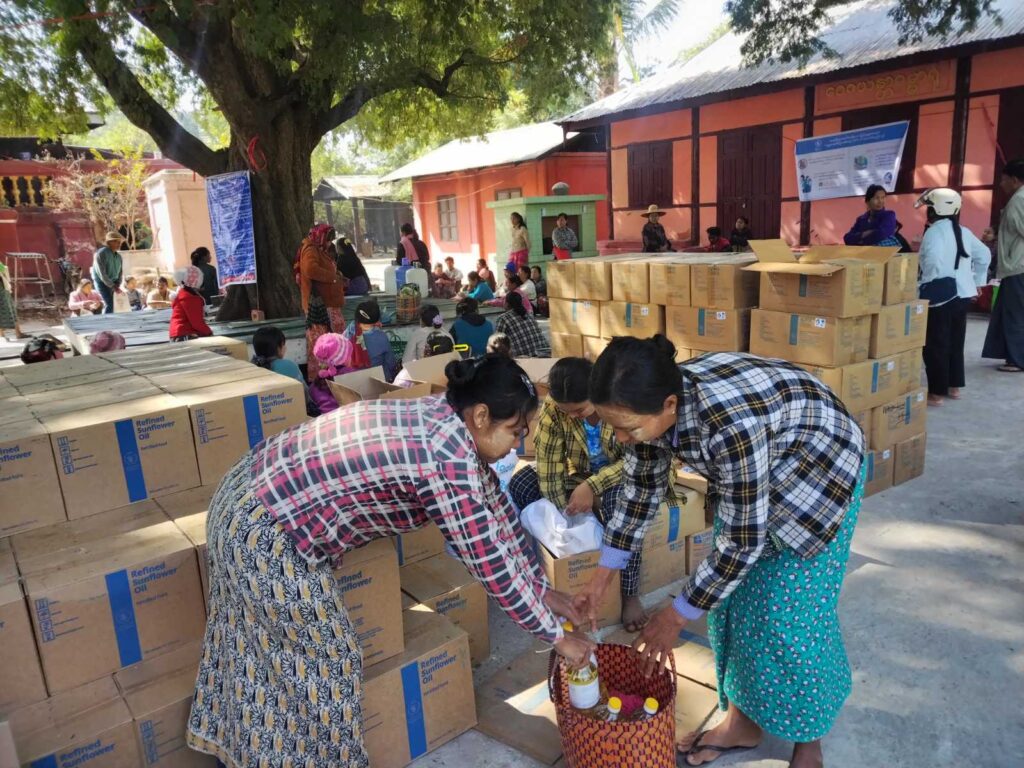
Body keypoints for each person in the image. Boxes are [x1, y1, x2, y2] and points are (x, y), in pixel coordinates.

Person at [186, 355, 595, 766]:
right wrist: (556, 636)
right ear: (482, 415)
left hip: (248, 494)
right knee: (329, 662)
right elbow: (489, 560)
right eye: (514, 431)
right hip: (262, 529)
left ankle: (242, 753)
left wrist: (549, 595)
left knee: (262, 650)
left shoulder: (447, 420)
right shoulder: (445, 457)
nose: (518, 444)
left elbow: (499, 520)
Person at [574, 337, 864, 768]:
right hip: (752, 481)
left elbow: (742, 543)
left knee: (790, 621)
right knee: (729, 609)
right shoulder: (649, 407)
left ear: (670, 405)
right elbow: (639, 494)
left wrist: (673, 617)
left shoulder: (730, 425)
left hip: (816, 477)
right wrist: (600, 579)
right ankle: (741, 724)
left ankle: (810, 739)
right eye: (611, 425)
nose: (620, 438)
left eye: (628, 428)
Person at [509, 357, 654, 631]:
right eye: (567, 412)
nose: (573, 417)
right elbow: (549, 464)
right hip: (580, 474)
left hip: (626, 476)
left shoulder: (620, 401)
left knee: (619, 505)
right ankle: (557, 567)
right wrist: (562, 519)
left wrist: (592, 487)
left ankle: (628, 591)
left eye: (579, 410)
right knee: (522, 483)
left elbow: (639, 460)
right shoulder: (556, 408)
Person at [915, 188, 990, 406]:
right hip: (963, 294)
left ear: (935, 209)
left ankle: (936, 393)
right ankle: (954, 387)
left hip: (940, 296)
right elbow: (984, 254)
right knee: (955, 342)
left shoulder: (934, 232)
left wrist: (927, 282)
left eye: (929, 207)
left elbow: (932, 261)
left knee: (935, 344)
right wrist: (977, 282)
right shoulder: (963, 231)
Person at [983, 158, 1024, 373]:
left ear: (1015, 180)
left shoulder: (1019, 199)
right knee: (1007, 312)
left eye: (1004, 179)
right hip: (1014, 265)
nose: (1001, 183)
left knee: (1015, 314)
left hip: (1018, 266)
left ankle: (1018, 359)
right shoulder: (1018, 198)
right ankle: (1012, 356)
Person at [298, 223, 346, 380]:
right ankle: (322, 383)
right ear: (320, 236)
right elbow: (310, 270)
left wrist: (337, 275)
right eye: (328, 239)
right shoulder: (310, 250)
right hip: (320, 308)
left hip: (328, 305)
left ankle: (333, 377)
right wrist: (333, 278)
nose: (329, 243)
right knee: (323, 346)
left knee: (333, 343)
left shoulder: (318, 249)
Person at [308, 333, 361, 415]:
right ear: (344, 359)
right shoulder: (353, 375)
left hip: (326, 423)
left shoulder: (314, 385)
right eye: (349, 354)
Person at [349, 300, 398, 382]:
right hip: (379, 380)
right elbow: (391, 362)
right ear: (377, 319)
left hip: (355, 380)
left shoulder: (350, 333)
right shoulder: (381, 336)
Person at [494, 291, 550, 358]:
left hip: (525, 358)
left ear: (507, 303)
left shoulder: (503, 318)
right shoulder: (529, 315)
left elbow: (497, 342)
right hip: (544, 354)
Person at [168, 265, 213, 341]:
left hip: (178, 333)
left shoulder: (183, 294)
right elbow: (197, 323)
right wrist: (209, 332)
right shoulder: (190, 299)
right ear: (197, 281)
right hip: (184, 334)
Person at [90, 231, 123, 313]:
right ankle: (107, 323)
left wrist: (118, 283)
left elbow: (120, 272)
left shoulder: (118, 256)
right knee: (109, 304)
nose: (118, 243)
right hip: (102, 283)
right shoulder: (101, 253)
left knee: (116, 304)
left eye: (119, 241)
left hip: (114, 283)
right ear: (109, 242)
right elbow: (102, 273)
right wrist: (112, 286)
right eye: (115, 241)